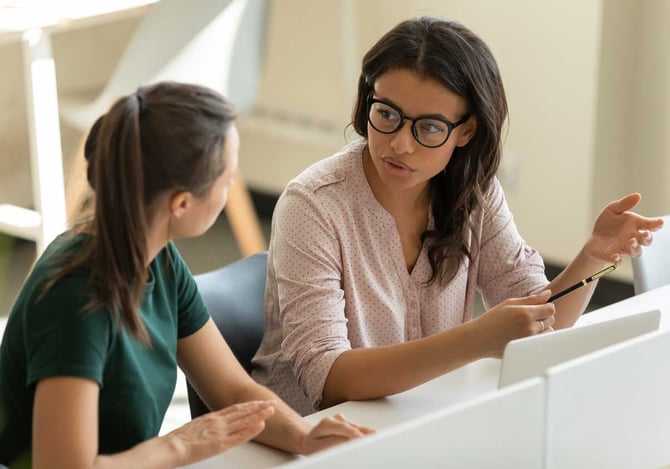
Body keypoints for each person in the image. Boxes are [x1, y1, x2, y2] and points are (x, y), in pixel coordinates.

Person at [251, 17, 665, 416]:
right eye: (387, 113)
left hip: (421, 414)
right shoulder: (313, 204)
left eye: (429, 128)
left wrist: (591, 257)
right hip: (313, 436)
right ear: (367, 100)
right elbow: (326, 379)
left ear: (466, 131)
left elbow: (542, 324)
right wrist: (474, 340)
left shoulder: (475, 191)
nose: (400, 145)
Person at [0, 82, 373, 469]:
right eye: (226, 180)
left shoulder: (157, 259)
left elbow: (232, 388)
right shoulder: (76, 300)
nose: (229, 190)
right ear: (181, 203)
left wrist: (303, 435)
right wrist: (179, 446)